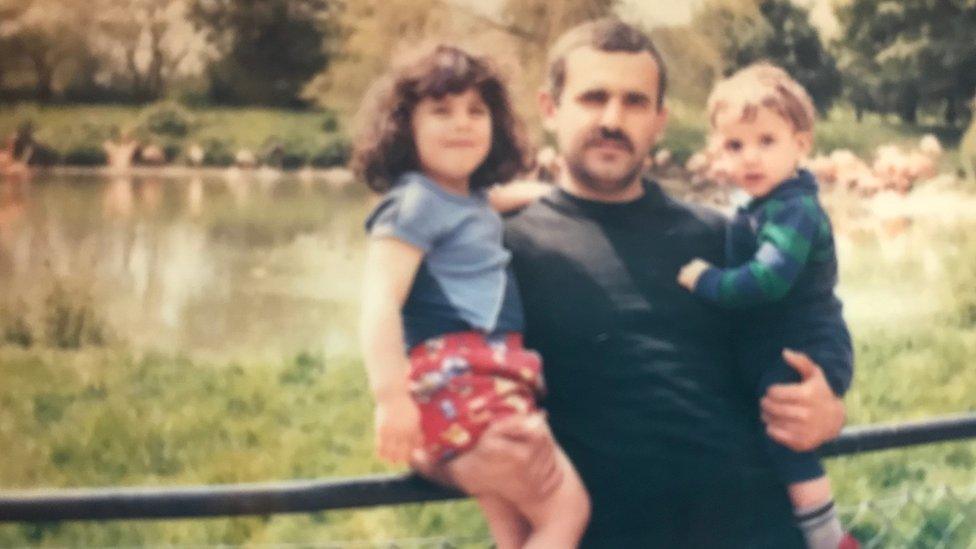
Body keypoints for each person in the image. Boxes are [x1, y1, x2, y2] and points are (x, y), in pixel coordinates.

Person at [501, 18, 852, 547]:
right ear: (551, 109)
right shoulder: (508, 250)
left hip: (758, 531)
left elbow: (804, 328)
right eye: (593, 98)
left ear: (660, 120)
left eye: (635, 102)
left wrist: (827, 410)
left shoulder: (722, 237)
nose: (613, 119)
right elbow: (434, 421)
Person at [353, 44, 590, 549]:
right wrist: (390, 399)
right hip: (466, 383)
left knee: (517, 530)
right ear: (404, 127)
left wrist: (564, 194)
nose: (461, 124)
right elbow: (378, 301)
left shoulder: (466, 199)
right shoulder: (413, 203)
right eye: (441, 112)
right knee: (566, 512)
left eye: (476, 112)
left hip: (480, 383)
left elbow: (507, 197)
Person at [676, 63, 855, 549]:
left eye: (766, 141)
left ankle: (828, 538)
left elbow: (768, 279)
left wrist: (707, 280)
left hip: (807, 346)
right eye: (735, 145)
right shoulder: (759, 206)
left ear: (801, 144)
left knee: (785, 432)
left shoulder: (793, 209)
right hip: (779, 343)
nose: (750, 157)